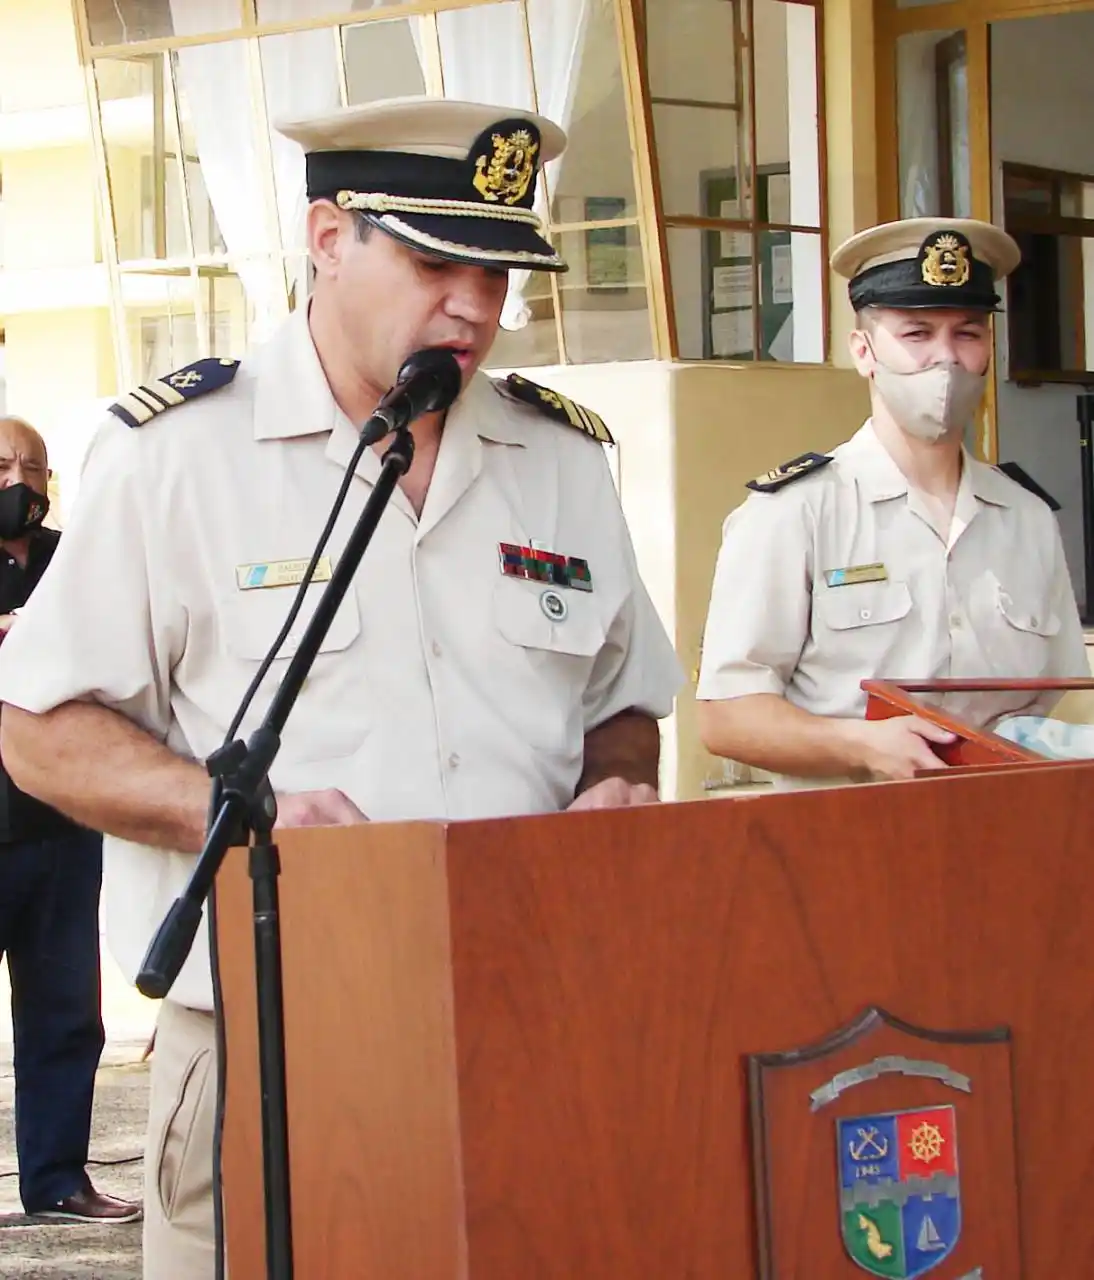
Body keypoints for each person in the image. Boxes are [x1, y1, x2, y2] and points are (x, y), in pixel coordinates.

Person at [0, 97, 682, 1277]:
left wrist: (617, 787)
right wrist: (230, 812)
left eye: (499, 272)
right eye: (432, 263)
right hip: (275, 1032)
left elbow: (621, 704)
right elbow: (39, 726)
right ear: (325, 237)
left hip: (530, 1011)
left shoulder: (562, 460)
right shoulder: (173, 454)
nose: (472, 307)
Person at [696, 217, 1088, 787]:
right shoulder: (798, 512)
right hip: (848, 847)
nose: (945, 361)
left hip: (1000, 840)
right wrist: (860, 745)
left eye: (967, 334)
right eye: (916, 334)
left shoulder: (1025, 517)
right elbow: (727, 717)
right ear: (864, 351)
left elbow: (1049, 702)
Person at [0, 417, 140, 1224]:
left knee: (64, 1011)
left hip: (60, 820)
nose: (21, 480)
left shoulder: (71, 559)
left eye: (34, 467)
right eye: (3, 465)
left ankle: (55, 1179)